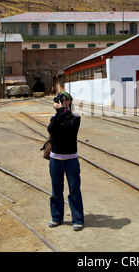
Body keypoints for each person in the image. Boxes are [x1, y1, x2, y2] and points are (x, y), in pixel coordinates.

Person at [47, 91, 84, 231]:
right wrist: (59, 113)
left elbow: (69, 129)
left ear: (69, 102)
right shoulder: (54, 117)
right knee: (56, 191)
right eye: (60, 100)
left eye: (64, 100)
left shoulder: (75, 117)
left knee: (74, 190)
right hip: (55, 159)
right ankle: (56, 218)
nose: (62, 103)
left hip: (71, 160)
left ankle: (77, 219)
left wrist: (61, 111)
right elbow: (51, 129)